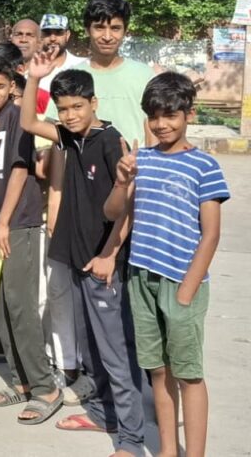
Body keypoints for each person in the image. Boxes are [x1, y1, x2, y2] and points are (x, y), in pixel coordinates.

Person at [22, 54, 144, 456]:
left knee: (114, 350)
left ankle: (130, 438)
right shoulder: (70, 136)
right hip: (77, 256)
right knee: (91, 344)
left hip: (102, 263)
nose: (70, 115)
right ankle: (103, 413)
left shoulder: (111, 142)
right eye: (63, 109)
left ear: (94, 103)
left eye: (78, 106)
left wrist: (109, 253)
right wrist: (34, 79)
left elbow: (125, 208)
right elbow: (29, 122)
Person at [106, 73, 229, 457]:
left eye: (170, 115)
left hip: (181, 281)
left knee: (188, 373)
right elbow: (114, 213)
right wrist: (122, 181)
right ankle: (167, 450)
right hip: (141, 279)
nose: (161, 124)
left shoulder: (204, 166)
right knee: (158, 372)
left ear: (189, 114)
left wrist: (187, 290)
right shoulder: (139, 160)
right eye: (154, 116)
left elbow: (211, 234)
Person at [0, 56, 61, 424]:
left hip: (17, 223)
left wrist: (4, 222)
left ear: (10, 88)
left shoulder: (18, 118)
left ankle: (45, 387)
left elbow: (20, 171)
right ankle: (22, 381)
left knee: (20, 306)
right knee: (1, 308)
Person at [78, 0, 155, 146]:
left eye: (115, 28)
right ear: (87, 30)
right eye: (99, 27)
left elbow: (155, 127)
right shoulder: (74, 77)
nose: (107, 37)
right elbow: (57, 128)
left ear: (125, 31)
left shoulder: (145, 75)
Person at [37, 14, 85, 91]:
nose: (52, 38)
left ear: (67, 35)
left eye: (58, 32)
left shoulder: (82, 65)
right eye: (47, 33)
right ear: (40, 36)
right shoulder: (32, 69)